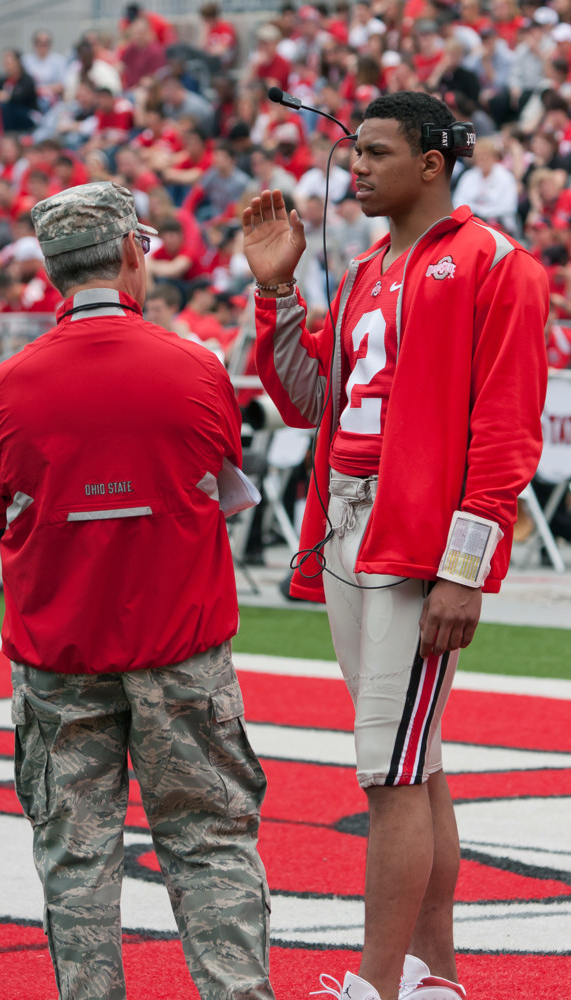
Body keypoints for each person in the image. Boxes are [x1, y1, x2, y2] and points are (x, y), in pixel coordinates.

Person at [241, 91, 548, 1000]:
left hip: (414, 540)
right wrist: (276, 292)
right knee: (416, 761)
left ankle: (376, 985)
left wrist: (464, 566)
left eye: (376, 151)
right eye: (357, 152)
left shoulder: (497, 263)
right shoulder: (371, 264)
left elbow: (505, 429)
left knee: (388, 772)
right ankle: (434, 977)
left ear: (434, 162)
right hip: (348, 522)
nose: (356, 167)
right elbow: (311, 401)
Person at [0, 180, 275, 1000]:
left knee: (77, 853)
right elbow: (223, 479)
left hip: (59, 654)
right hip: (181, 649)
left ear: (51, 269)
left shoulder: (6, 384)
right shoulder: (196, 367)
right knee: (210, 842)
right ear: (135, 251)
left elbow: (0, 504)